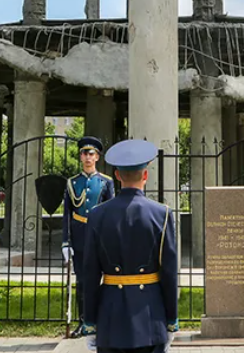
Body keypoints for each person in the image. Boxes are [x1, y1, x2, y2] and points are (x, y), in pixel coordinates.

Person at [80, 139, 178, 353]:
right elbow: (169, 274)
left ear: (116, 175)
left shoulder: (97, 215)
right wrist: (171, 320)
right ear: (145, 175)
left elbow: (89, 274)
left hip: (110, 317)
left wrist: (90, 323)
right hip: (150, 317)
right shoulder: (161, 214)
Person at [63, 136, 115, 337]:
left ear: (97, 157)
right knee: (82, 282)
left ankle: (101, 320)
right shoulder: (72, 183)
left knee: (104, 280)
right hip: (80, 238)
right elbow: (67, 214)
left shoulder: (105, 182)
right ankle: (84, 321)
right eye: (84, 153)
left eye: (91, 154)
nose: (87, 157)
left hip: (99, 237)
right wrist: (66, 242)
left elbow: (110, 213)